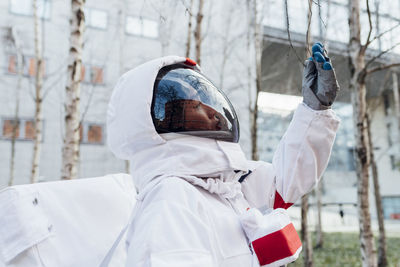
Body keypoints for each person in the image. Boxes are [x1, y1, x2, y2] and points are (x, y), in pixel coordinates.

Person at [106, 43, 340, 266]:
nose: (213, 112)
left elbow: (285, 183)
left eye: (204, 100)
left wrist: (315, 110)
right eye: (196, 106)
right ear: (165, 121)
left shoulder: (228, 184)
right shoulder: (171, 199)